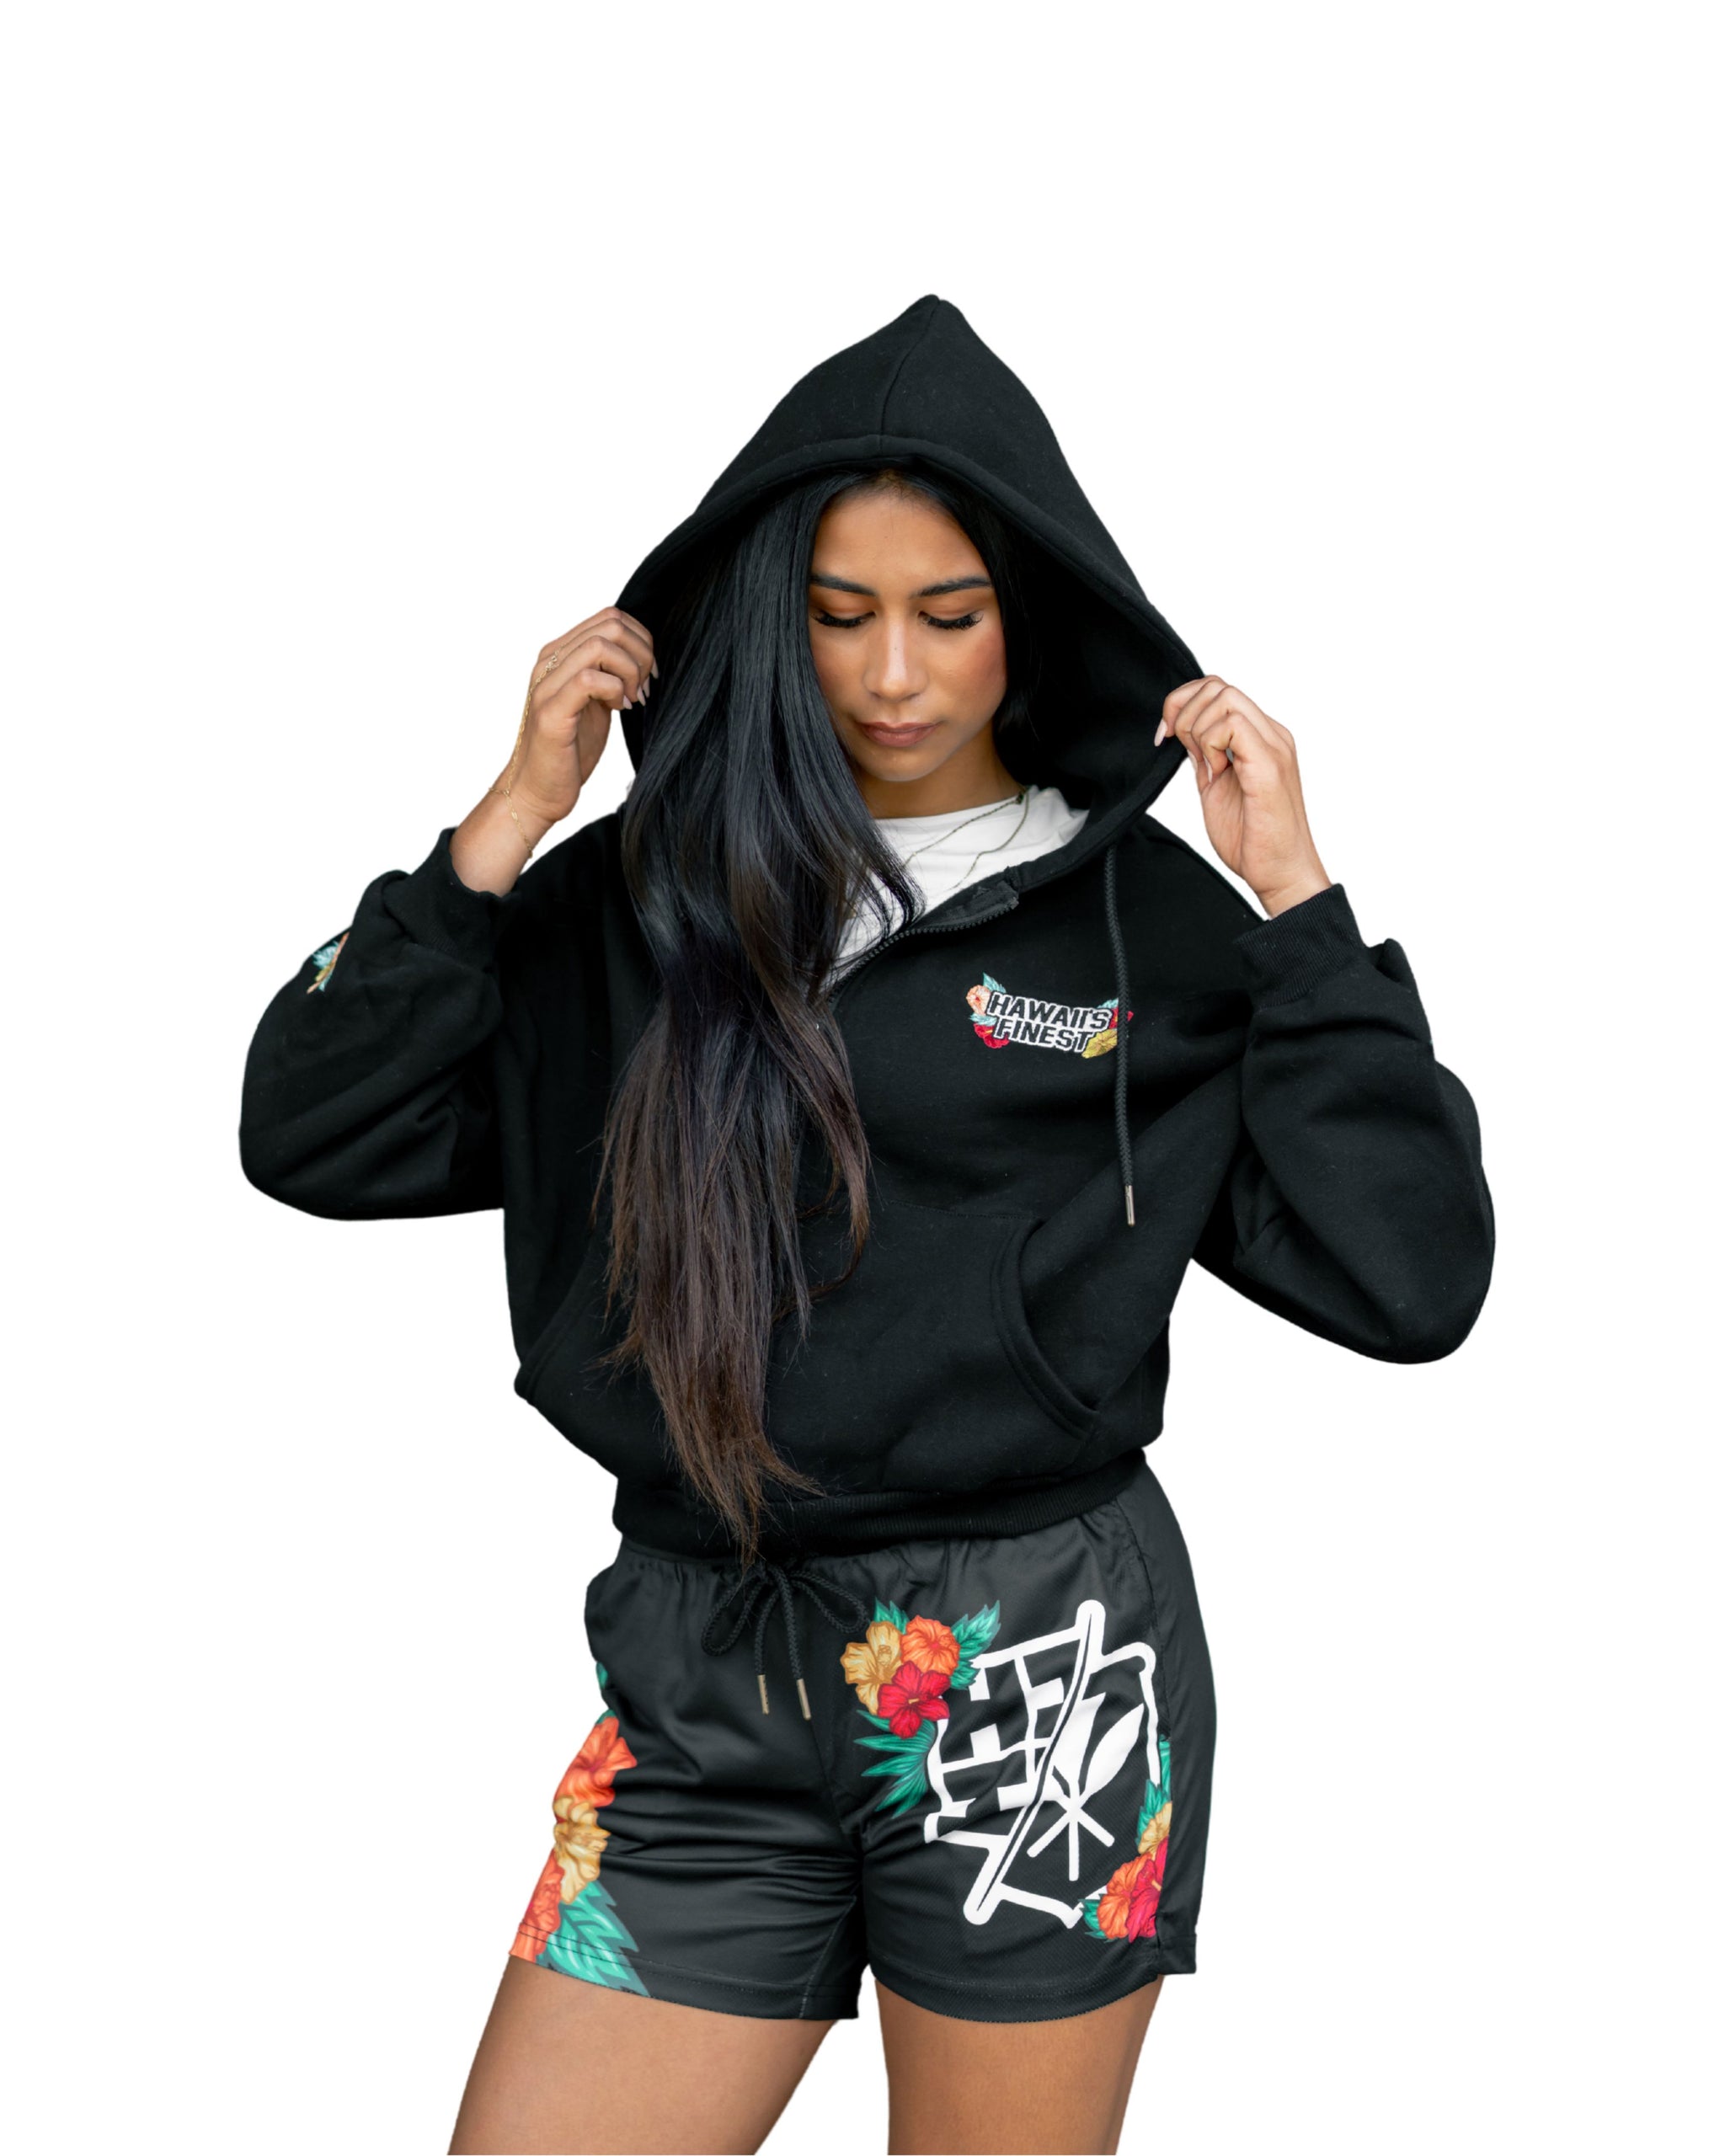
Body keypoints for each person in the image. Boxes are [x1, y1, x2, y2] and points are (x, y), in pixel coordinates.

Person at [240, 294, 1493, 2155]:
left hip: (1036, 1677)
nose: (893, 674)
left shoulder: (1148, 928)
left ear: (1028, 618)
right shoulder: (637, 901)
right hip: (703, 1665)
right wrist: (506, 820)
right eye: (839, 616)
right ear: (772, 616)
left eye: (948, 614)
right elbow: (312, 1130)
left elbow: (1411, 1278)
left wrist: (1299, 907)